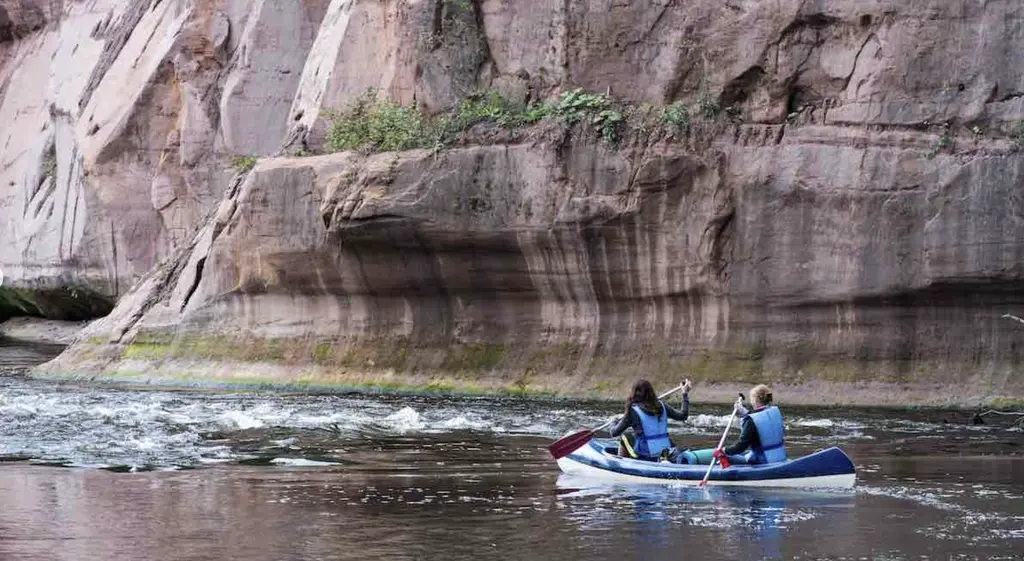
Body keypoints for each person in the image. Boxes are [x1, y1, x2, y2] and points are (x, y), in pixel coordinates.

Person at [608, 379, 691, 461]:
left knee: (625, 437)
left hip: (646, 455)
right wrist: (685, 394)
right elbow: (683, 415)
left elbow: (614, 432)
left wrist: (613, 422)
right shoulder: (662, 406)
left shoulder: (632, 411)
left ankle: (623, 465)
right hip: (667, 452)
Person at [713, 383, 787, 466]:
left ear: (755, 400)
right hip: (780, 457)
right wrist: (744, 412)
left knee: (720, 455)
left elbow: (740, 447)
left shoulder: (750, 421)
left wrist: (723, 451)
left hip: (762, 461)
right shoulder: (774, 412)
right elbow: (761, 420)